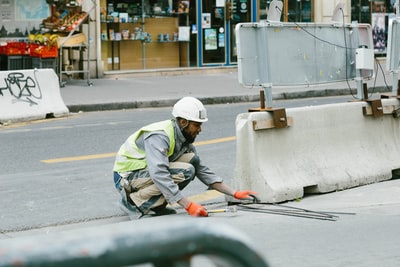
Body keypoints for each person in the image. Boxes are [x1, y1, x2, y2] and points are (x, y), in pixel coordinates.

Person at [113, 96, 256, 219]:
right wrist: (188, 205)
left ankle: (155, 205)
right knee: (185, 171)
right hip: (126, 178)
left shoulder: (183, 138)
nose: (200, 129)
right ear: (183, 122)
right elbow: (159, 174)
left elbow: (201, 169)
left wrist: (234, 193)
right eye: (196, 125)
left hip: (142, 174)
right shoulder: (160, 136)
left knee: (192, 161)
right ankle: (134, 203)